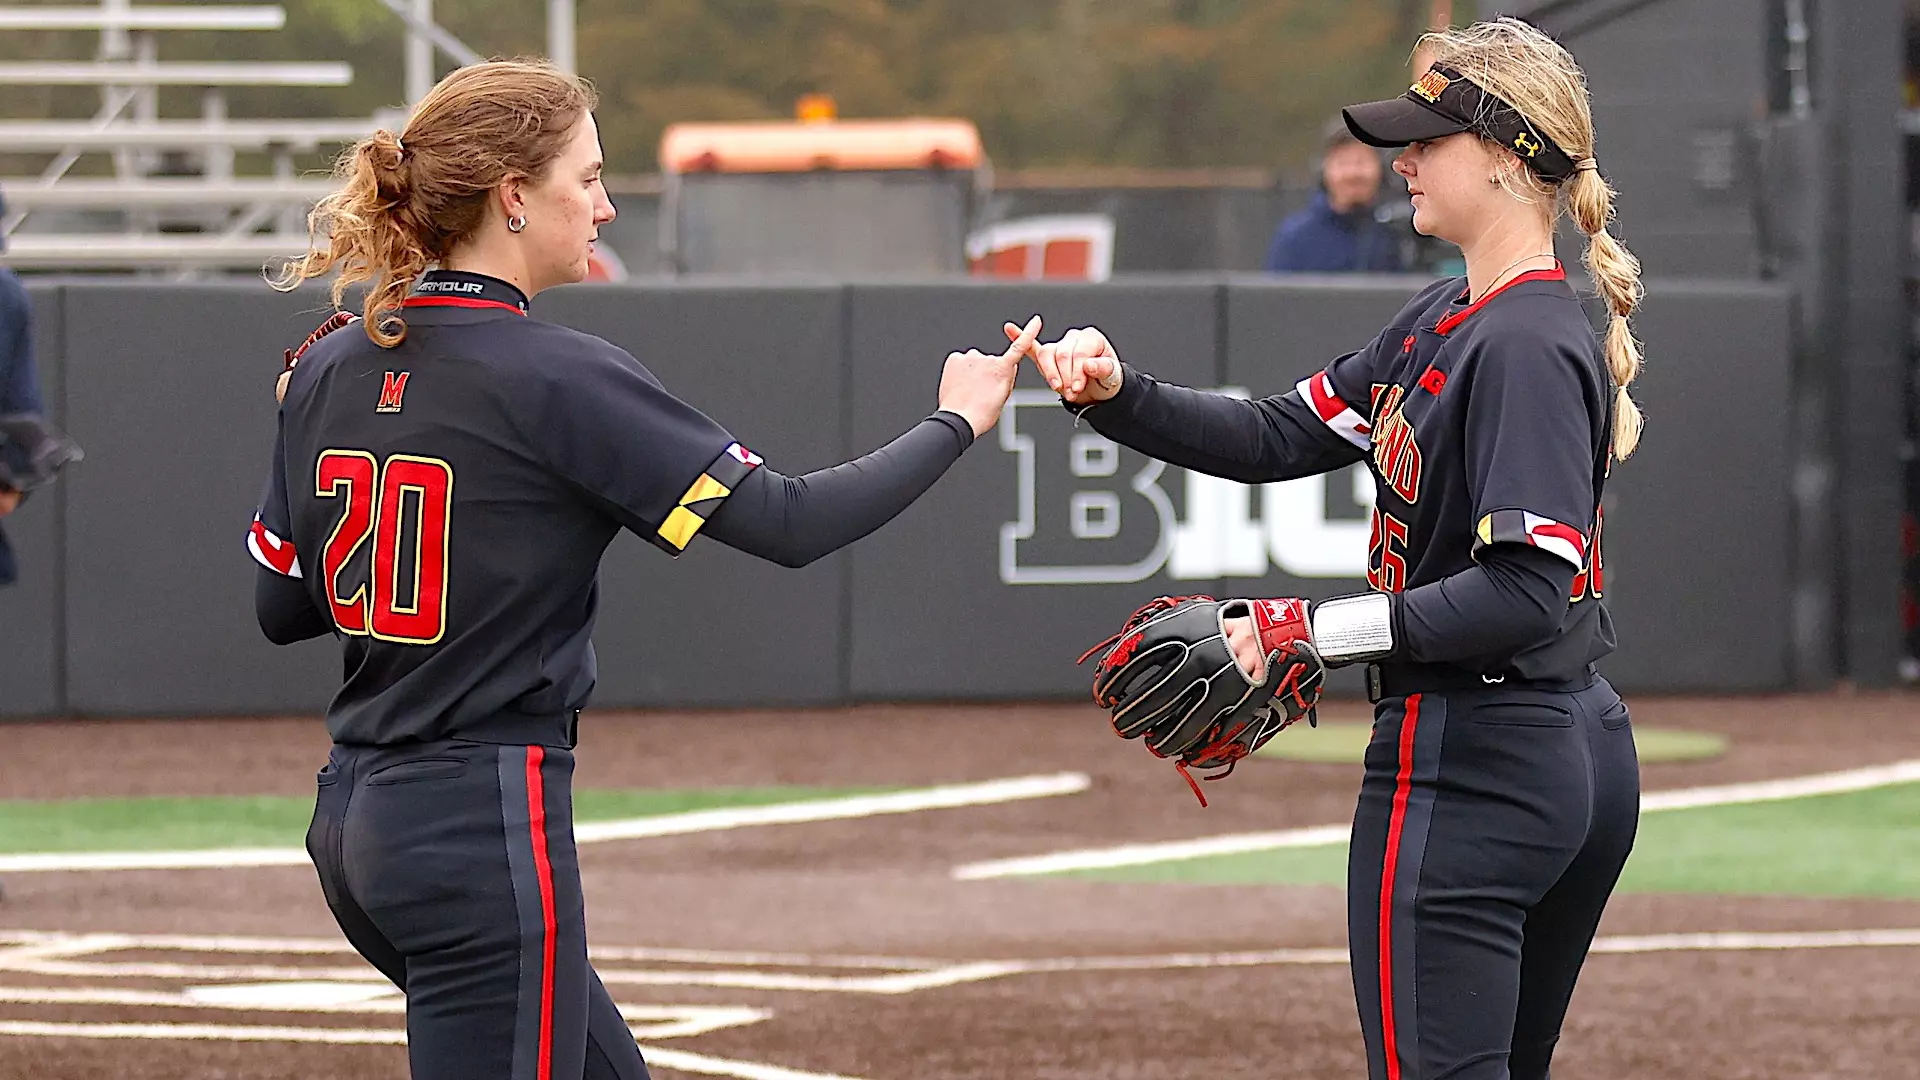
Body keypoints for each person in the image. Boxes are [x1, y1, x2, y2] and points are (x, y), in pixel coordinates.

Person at [252, 59, 1037, 1080]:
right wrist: (956, 421)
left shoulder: (327, 363)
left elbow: (281, 607)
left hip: (355, 823)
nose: (607, 205)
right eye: (589, 178)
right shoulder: (559, 375)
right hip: (477, 830)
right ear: (513, 197)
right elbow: (789, 524)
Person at [1017, 18, 1642, 1080]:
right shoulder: (1449, 317)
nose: (1401, 160)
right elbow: (1279, 434)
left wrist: (1304, 631)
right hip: (1550, 743)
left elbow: (1523, 594)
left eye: (1427, 140)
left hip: (1479, 756)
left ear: (1504, 157)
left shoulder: (1526, 341)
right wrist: (1121, 397)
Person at [1262, 120, 1406, 273]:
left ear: (1381, 169)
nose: (1352, 173)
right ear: (1324, 171)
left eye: (1361, 162)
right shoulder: (1295, 237)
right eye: (1343, 163)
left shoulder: (1400, 234)